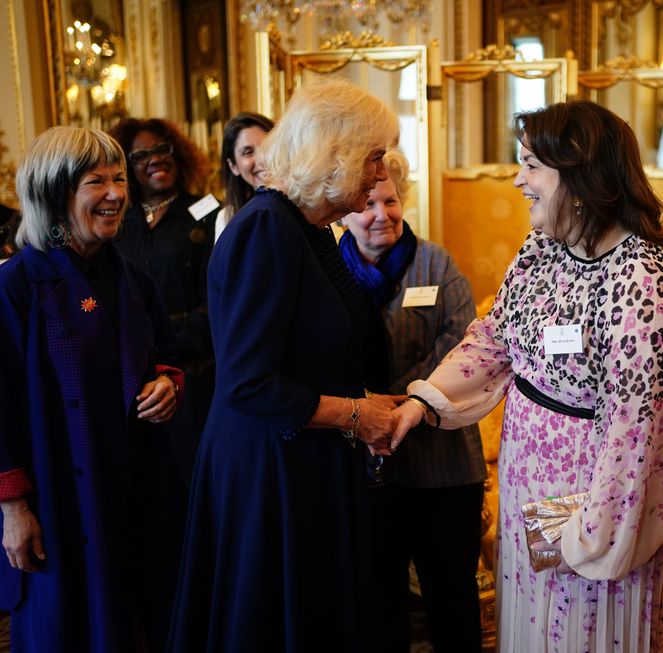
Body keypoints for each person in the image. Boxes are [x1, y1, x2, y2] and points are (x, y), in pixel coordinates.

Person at [392, 100, 663, 652]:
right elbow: (496, 337)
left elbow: (638, 426)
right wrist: (425, 400)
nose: (518, 180)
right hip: (527, 484)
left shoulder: (647, 277)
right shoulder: (543, 249)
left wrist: (592, 533)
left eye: (531, 165)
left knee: (586, 631)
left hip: (595, 502)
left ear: (580, 176)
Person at [168, 78, 405, 652]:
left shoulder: (307, 228)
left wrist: (365, 402)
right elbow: (249, 384)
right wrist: (356, 415)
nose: (380, 174)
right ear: (336, 153)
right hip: (268, 471)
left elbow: (314, 354)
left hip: (300, 460)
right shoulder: (268, 229)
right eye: (374, 157)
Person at [0, 126, 186, 651]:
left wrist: (168, 385)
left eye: (119, 179)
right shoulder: (15, 286)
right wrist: (13, 509)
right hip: (59, 498)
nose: (115, 194)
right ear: (54, 194)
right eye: (96, 182)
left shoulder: (134, 278)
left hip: (140, 489)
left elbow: (166, 357)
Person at [339, 150, 486, 652]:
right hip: (367, 467)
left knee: (452, 599)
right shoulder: (330, 273)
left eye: (391, 201)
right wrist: (366, 412)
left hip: (444, 468)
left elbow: (460, 348)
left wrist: (395, 406)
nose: (382, 214)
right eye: (368, 204)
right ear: (344, 211)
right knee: (378, 601)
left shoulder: (437, 263)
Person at [109, 118, 219, 489]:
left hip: (195, 367)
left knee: (195, 476)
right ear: (127, 166)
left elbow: (216, 294)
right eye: (142, 155)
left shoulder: (207, 211)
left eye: (162, 149)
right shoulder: (118, 221)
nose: (156, 158)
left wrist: (173, 347)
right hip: (133, 371)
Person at [215, 111, 275, 243]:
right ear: (233, 166)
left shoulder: (307, 205)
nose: (261, 159)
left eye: (267, 147)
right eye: (248, 152)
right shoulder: (227, 218)